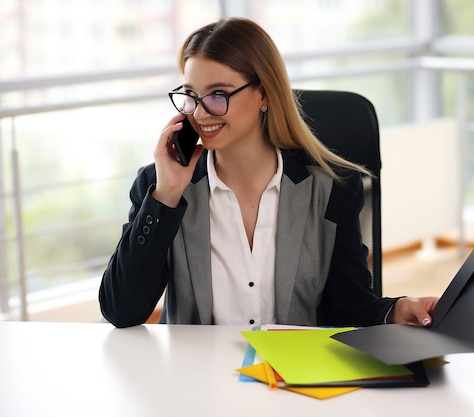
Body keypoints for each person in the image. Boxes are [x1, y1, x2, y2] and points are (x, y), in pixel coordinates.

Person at [99, 17, 438, 328]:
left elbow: (348, 308)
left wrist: (396, 310)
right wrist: (166, 195)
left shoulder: (330, 188)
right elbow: (121, 311)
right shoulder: (160, 187)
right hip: (195, 382)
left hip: (294, 386)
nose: (200, 113)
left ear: (263, 92)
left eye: (217, 95)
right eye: (190, 95)